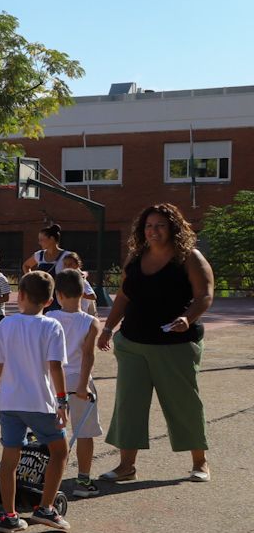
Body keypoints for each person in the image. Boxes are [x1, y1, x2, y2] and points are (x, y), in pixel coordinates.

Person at [98, 203, 214, 483]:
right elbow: (124, 296)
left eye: (160, 225)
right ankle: (126, 466)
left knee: (184, 405)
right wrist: (108, 328)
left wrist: (187, 319)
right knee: (129, 405)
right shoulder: (136, 258)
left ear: (173, 228)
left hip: (175, 345)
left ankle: (200, 463)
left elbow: (204, 295)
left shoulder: (189, 258)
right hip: (133, 343)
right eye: (149, 226)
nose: (153, 231)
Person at [0, 270, 71, 533]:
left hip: (10, 403)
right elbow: (55, 367)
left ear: (19, 296)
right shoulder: (52, 326)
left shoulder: (6, 325)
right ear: (49, 300)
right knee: (60, 451)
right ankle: (45, 508)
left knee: (10, 459)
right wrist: (62, 402)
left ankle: (9, 515)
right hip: (39, 402)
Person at [49, 269, 102, 499]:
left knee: (51, 431)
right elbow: (88, 355)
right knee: (84, 433)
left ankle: (46, 475)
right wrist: (83, 385)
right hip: (79, 381)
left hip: (53, 381)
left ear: (58, 294)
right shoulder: (91, 322)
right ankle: (83, 478)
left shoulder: (50, 318)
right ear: (83, 292)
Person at [59, 251, 99, 316]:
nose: (67, 267)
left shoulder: (81, 280)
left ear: (77, 265)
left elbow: (93, 296)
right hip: (69, 312)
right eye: (65, 264)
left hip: (82, 313)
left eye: (70, 264)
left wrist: (77, 293)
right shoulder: (64, 280)